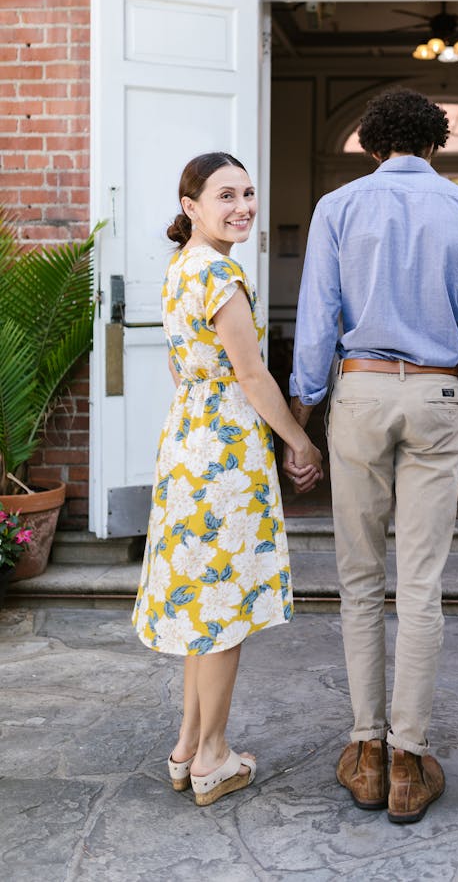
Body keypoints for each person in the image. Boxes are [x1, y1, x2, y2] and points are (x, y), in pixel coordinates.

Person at [285, 89, 458, 824]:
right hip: (440, 398)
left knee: (357, 578)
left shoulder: (338, 207)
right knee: (422, 584)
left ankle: (365, 750)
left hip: (360, 394)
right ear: (436, 144)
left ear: (371, 143)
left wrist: (300, 421)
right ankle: (410, 758)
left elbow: (317, 323)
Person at [133, 152, 322, 807]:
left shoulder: (181, 269)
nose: (243, 205)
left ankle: (189, 744)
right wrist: (300, 440)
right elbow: (252, 375)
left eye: (248, 193)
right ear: (191, 207)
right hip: (223, 461)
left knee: (203, 608)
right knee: (222, 613)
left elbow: (183, 373)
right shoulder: (220, 275)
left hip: (187, 444)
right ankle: (213, 757)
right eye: (226, 195)